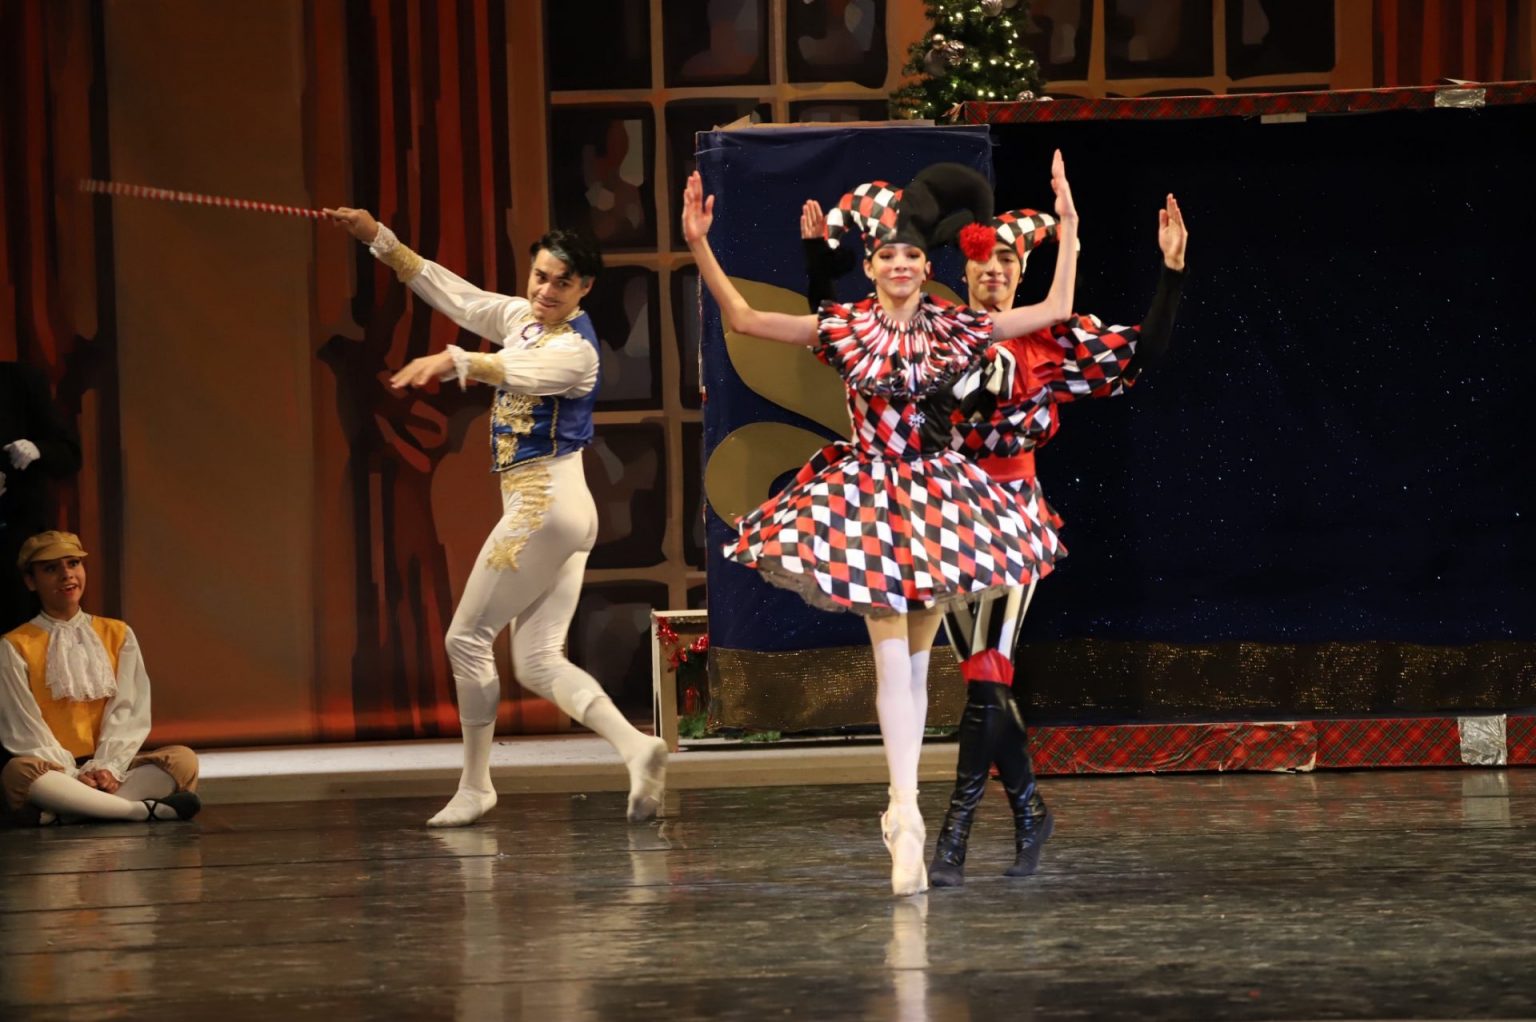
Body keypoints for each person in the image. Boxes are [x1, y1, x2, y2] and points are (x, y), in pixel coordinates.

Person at [682, 153, 1079, 895]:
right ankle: (908, 815)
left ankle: (902, 810)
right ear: (869, 266)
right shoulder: (844, 327)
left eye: (912, 256)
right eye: (888, 255)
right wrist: (700, 244)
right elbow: (744, 318)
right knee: (892, 654)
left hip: (939, 498)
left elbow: (1053, 309)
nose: (901, 265)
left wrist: (1071, 227)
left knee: (920, 665)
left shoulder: (955, 326)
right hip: (870, 499)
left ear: (926, 267)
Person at [323, 206, 668, 829]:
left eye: (562, 282)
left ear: (585, 288)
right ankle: (635, 747)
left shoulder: (576, 351)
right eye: (540, 276)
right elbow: (458, 296)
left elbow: (518, 370)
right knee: (536, 660)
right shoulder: (522, 317)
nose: (546, 291)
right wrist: (379, 238)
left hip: (544, 508)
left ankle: (476, 785)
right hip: (563, 511)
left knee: (465, 638)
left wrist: (455, 362)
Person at [930, 195, 1189, 886]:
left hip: (1011, 511)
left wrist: (1171, 272)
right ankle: (1029, 811)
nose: (994, 270)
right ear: (965, 272)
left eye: (1007, 261)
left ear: (1022, 274)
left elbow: (1143, 352)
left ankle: (955, 833)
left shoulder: (1051, 341)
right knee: (984, 680)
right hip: (947, 516)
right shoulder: (940, 337)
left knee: (990, 674)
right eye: (983, 261)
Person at [0, 531, 200, 825]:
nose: (67, 575)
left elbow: (129, 709)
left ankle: (66, 814)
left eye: (73, 563)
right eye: (51, 568)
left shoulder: (118, 633)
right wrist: (72, 775)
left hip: (112, 769)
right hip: (55, 772)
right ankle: (138, 811)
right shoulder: (15, 644)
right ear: (31, 581)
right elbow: (23, 726)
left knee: (183, 761)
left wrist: (108, 766)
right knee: (18, 773)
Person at [0, 362, 83, 632]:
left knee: (19, 636)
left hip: (14, 546)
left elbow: (69, 454)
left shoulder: (20, 380)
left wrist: (37, 449)